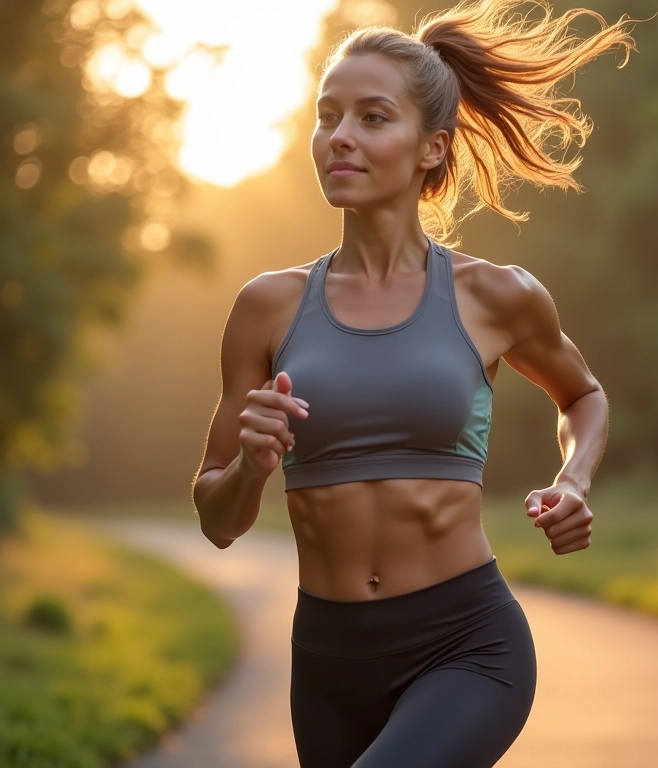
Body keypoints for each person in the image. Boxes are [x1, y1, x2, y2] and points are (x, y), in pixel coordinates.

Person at [193, 1, 635, 765]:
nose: (340, 136)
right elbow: (216, 518)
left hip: (464, 645)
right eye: (328, 116)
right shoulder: (266, 306)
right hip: (327, 660)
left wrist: (574, 480)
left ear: (432, 148)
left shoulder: (495, 295)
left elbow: (584, 395)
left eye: (372, 117)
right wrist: (252, 468)